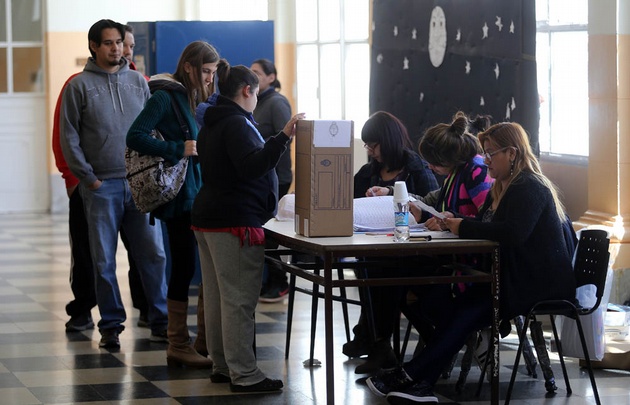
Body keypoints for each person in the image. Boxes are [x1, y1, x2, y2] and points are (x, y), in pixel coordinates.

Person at [366, 121, 576, 404]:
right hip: (516, 277)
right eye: (485, 153)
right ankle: (419, 381)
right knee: (457, 309)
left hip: (537, 284)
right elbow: (488, 225)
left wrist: (462, 226)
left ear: (512, 153)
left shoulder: (529, 186)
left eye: (491, 154)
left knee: (464, 311)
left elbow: (512, 234)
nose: (485, 160)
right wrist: (455, 221)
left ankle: (413, 377)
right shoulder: (504, 186)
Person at [191, 59, 304, 392]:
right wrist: (283, 137)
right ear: (246, 90)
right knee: (239, 300)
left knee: (218, 297)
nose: (256, 99)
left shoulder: (212, 121)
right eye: (255, 94)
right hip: (234, 220)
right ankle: (244, 373)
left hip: (210, 218)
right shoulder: (236, 123)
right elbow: (253, 166)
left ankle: (223, 366)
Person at [59, 19, 169, 349]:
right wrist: (88, 179)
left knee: (153, 255)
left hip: (139, 185)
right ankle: (111, 325)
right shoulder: (78, 86)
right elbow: (68, 137)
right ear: (94, 46)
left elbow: (153, 130)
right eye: (108, 43)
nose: (116, 48)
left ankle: (161, 320)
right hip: (101, 187)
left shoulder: (138, 82)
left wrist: (153, 172)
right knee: (103, 260)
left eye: (119, 42)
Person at [127, 40, 219, 368]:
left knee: (198, 265)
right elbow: (135, 136)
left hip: (196, 193)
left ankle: (202, 340)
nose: (209, 78)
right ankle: (178, 343)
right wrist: (177, 149)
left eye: (213, 73)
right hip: (180, 197)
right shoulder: (165, 95)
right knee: (183, 267)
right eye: (205, 71)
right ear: (189, 67)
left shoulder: (193, 96)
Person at [345, 111, 439, 374]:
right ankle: (375, 339)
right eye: (367, 146)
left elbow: (431, 205)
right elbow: (350, 205)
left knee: (382, 272)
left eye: (373, 146)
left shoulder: (417, 169)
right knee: (371, 267)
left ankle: (377, 341)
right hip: (377, 247)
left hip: (416, 250)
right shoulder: (368, 172)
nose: (370, 151)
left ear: (387, 141)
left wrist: (392, 195)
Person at [250, 58, 293, 303]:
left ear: (271, 77)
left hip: (277, 176)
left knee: (271, 234)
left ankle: (280, 282)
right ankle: (270, 280)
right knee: (263, 232)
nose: (253, 76)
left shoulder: (277, 102)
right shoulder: (256, 100)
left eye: (257, 73)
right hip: (260, 174)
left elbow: (286, 137)